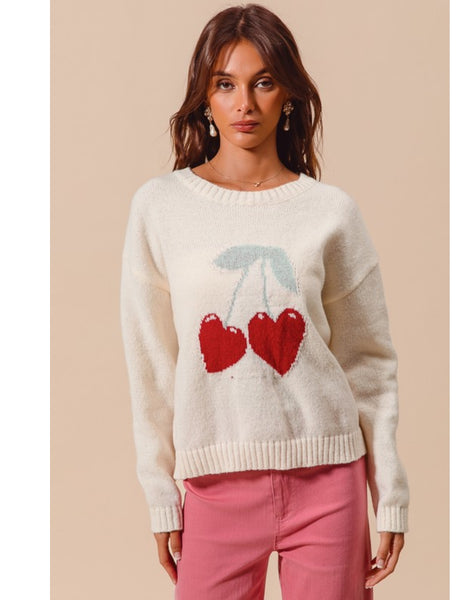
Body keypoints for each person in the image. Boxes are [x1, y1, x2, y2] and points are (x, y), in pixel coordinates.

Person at [120, 4, 409, 599]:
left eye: (264, 82)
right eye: (225, 84)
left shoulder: (330, 212)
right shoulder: (160, 207)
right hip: (213, 485)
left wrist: (391, 494)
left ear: (289, 96)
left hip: (329, 483)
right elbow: (151, 362)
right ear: (205, 98)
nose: (244, 103)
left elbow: (368, 362)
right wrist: (159, 493)